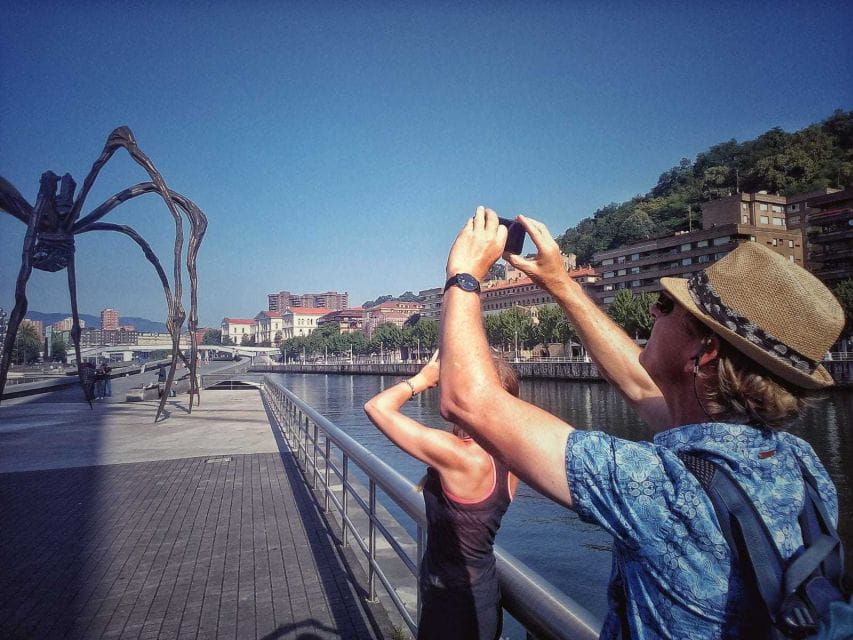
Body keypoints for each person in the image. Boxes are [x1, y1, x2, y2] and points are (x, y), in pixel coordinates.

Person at [437, 206, 846, 639]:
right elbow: (640, 384)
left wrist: (464, 276)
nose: (653, 312)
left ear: (703, 353)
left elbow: (469, 402)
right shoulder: (801, 466)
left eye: (667, 306)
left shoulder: (664, 488)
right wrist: (560, 283)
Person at [363, 352, 520, 640]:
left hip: (452, 603)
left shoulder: (461, 456)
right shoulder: (510, 457)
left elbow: (377, 407)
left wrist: (421, 380)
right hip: (481, 592)